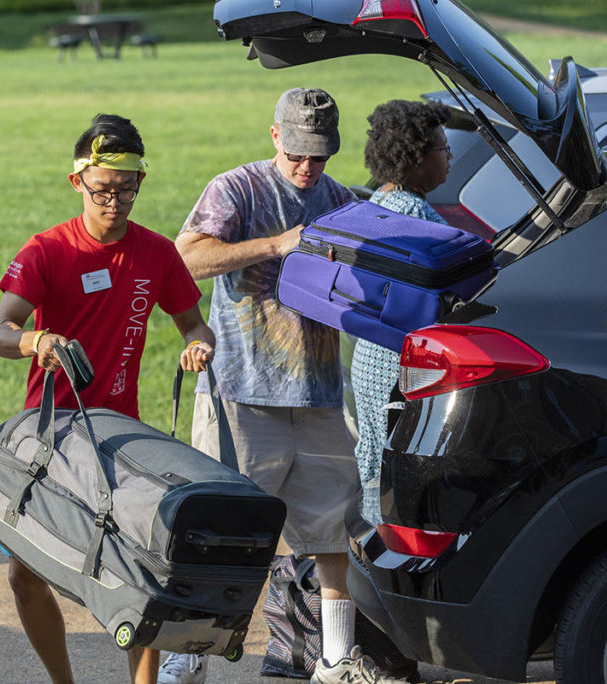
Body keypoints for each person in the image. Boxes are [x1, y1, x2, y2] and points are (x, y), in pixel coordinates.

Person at [167, 88, 403, 684]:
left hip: (318, 393)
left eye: (319, 155)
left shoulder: (340, 200)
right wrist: (277, 244)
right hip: (241, 394)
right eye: (298, 152)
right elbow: (183, 260)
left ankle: (335, 658)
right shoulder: (237, 189)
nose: (306, 166)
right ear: (275, 135)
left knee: (330, 532)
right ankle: (186, 651)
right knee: (221, 530)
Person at [0, 113, 216, 684]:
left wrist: (198, 345)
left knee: (140, 576)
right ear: (77, 184)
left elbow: (195, 324)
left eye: (127, 188)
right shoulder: (46, 251)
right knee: (24, 574)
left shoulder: (157, 253)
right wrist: (36, 340)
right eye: (102, 189)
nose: (114, 201)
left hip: (121, 434)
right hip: (52, 432)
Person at [352, 99, 453, 525]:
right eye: (444, 150)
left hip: (370, 356)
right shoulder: (419, 218)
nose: (449, 158)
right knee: (399, 463)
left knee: (375, 454)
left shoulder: (379, 201)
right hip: (399, 364)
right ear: (417, 159)